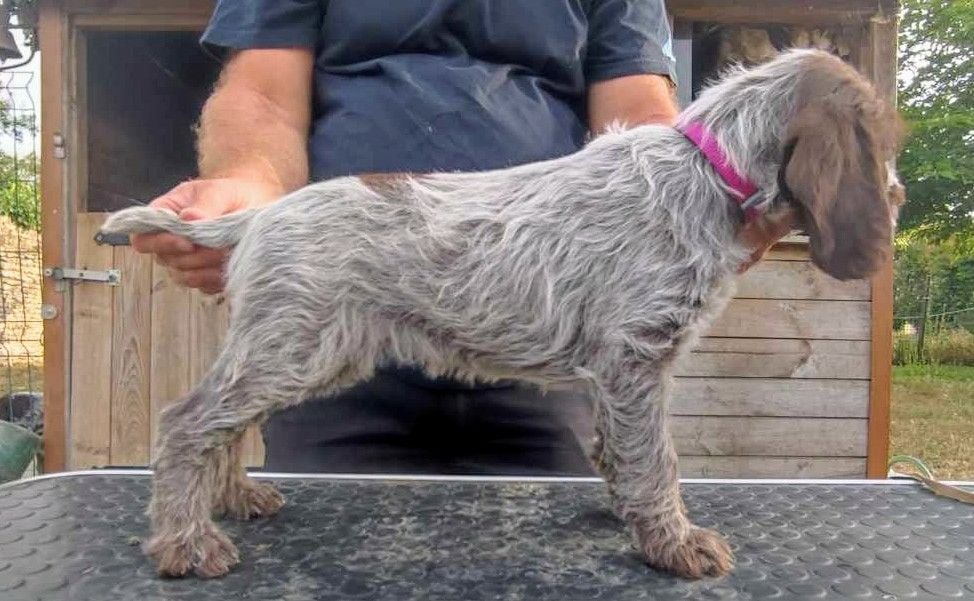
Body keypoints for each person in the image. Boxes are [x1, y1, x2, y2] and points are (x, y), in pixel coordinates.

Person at [132, 1, 785, 475]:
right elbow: (264, 96)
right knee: (324, 557)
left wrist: (696, 209)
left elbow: (638, 111)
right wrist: (249, 183)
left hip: (547, 332)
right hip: (349, 302)